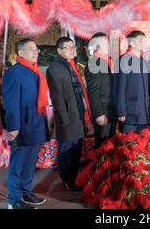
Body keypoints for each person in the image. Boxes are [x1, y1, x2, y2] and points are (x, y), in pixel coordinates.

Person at [2, 39, 49, 209]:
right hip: (21, 125)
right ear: (20, 53)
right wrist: (13, 126)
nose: (36, 52)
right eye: (31, 49)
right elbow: (10, 101)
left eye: (36, 49)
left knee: (30, 163)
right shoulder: (14, 72)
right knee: (17, 164)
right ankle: (14, 200)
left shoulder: (35, 71)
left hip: (35, 123)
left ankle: (26, 192)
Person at [46, 37, 91, 190]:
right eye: (68, 48)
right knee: (66, 150)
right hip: (67, 118)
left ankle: (73, 177)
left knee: (77, 149)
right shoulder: (55, 68)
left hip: (77, 114)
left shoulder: (71, 66)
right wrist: (64, 121)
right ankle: (67, 179)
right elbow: (57, 98)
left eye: (73, 47)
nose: (72, 50)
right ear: (59, 51)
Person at [85, 32, 116, 149]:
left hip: (110, 109)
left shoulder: (105, 61)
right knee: (102, 146)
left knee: (109, 144)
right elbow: (93, 91)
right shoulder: (94, 63)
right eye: (105, 43)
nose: (108, 45)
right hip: (103, 112)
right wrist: (98, 113)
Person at [115, 31, 150, 134]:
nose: (144, 44)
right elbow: (119, 88)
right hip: (130, 113)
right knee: (129, 145)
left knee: (143, 145)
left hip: (143, 112)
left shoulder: (142, 61)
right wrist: (121, 111)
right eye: (140, 41)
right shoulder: (124, 60)